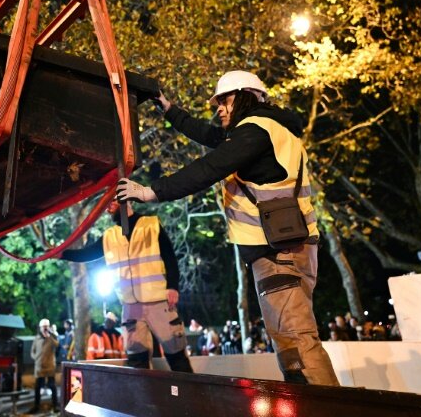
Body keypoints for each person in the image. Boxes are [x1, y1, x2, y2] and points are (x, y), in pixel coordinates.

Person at [116, 70, 339, 386]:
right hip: (288, 246)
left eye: (225, 101)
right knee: (291, 341)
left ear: (249, 96)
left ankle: (325, 408)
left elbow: (210, 167)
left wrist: (150, 191)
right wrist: (168, 109)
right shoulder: (267, 131)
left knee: (297, 342)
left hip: (277, 251)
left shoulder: (256, 131)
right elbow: (211, 137)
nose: (219, 109)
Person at [59, 200, 192, 372]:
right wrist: (61, 254)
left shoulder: (150, 224)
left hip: (158, 301)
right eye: (106, 205)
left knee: (176, 355)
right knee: (137, 359)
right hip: (131, 306)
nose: (108, 207)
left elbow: (170, 257)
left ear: (126, 201)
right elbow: (86, 254)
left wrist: (173, 286)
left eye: (111, 202)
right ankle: (143, 398)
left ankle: (191, 397)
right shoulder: (110, 236)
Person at [29, 318, 59, 414]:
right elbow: (32, 351)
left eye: (46, 327)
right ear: (40, 327)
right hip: (39, 367)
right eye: (43, 327)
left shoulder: (52, 337)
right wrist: (36, 358)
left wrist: (50, 335)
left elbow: (57, 345)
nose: (45, 328)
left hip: (50, 367)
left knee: (52, 387)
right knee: (38, 387)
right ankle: (36, 406)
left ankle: (55, 406)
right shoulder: (37, 338)